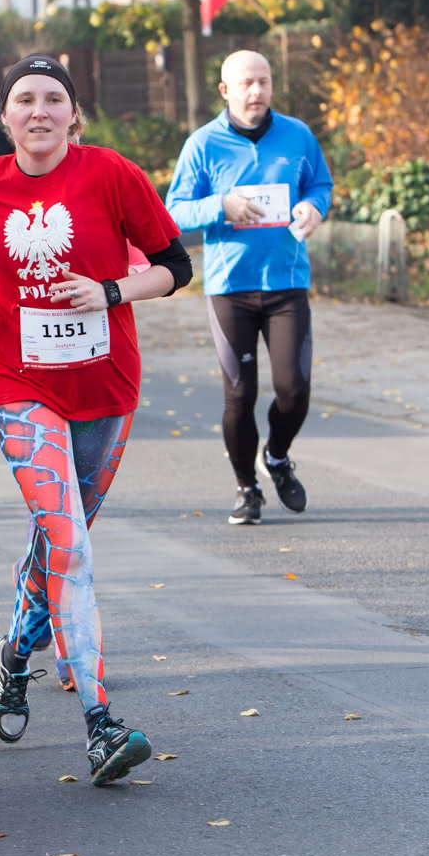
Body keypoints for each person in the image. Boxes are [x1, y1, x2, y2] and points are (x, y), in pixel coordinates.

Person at [0, 53, 192, 785]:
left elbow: (176, 265)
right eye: (25, 99)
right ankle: (101, 724)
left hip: (106, 386)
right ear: (5, 115)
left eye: (53, 99)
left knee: (61, 539)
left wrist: (112, 289)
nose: (39, 110)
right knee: (69, 542)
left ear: (73, 115)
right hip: (15, 383)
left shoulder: (112, 174)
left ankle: (16, 657)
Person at [165, 50, 333, 526]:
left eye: (263, 81)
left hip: (287, 282)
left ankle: (276, 457)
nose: (256, 92)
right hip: (229, 287)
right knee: (239, 396)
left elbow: (320, 185)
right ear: (225, 90)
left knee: (294, 389)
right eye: (246, 84)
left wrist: (314, 208)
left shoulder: (297, 135)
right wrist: (222, 205)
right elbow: (173, 211)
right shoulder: (202, 145)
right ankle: (247, 488)